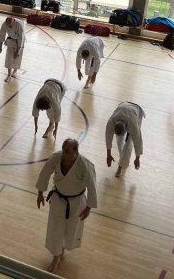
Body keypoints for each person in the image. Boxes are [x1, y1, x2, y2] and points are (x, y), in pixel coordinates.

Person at [36, 138, 97, 274]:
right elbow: (45, 173)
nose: (64, 154)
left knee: (70, 230)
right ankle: (56, 257)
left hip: (76, 202)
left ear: (76, 152)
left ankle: (62, 248)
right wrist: (40, 193)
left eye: (68, 151)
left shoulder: (85, 165)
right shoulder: (56, 158)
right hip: (58, 199)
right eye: (64, 150)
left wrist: (88, 207)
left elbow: (92, 186)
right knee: (56, 228)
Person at [105, 102, 144, 178]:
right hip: (123, 106)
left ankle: (120, 167)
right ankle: (123, 161)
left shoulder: (133, 126)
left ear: (126, 128)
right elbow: (108, 138)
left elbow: (138, 141)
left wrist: (137, 158)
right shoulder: (111, 123)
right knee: (119, 141)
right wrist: (108, 155)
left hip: (136, 111)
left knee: (128, 143)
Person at [0, 17, 25, 83]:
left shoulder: (19, 25)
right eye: (8, 25)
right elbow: (2, 34)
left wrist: (17, 51)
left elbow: (21, 38)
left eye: (10, 25)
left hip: (19, 41)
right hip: (10, 39)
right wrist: (0, 47)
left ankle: (15, 70)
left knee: (16, 57)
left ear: (13, 22)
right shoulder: (5, 24)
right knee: (9, 57)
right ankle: (9, 75)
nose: (9, 26)